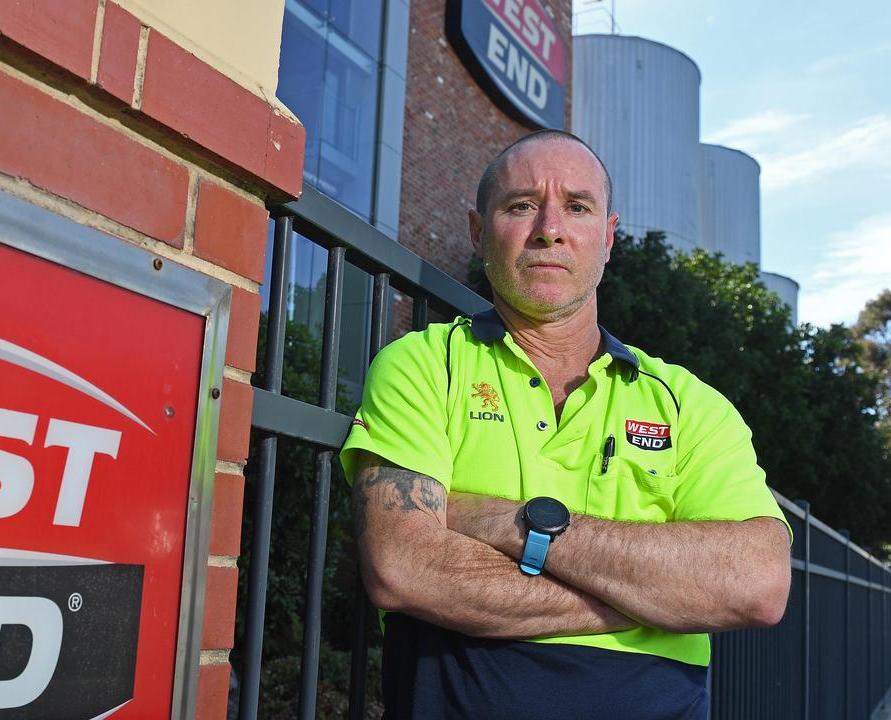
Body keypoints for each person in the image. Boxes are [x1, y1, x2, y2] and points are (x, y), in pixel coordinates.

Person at [339, 129, 792, 719]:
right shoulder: (425, 366)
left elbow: (756, 582)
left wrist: (512, 523)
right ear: (479, 233)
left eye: (577, 207)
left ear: (608, 237)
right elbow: (404, 570)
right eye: (522, 205)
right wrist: (658, 592)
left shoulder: (686, 403)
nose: (548, 228)